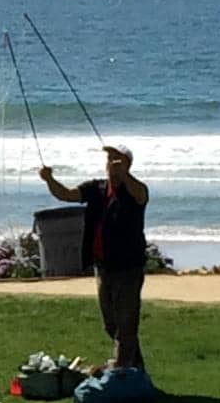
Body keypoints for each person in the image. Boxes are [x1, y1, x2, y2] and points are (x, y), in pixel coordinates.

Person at [38, 145, 149, 369]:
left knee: (126, 321)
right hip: (103, 265)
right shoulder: (96, 188)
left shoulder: (135, 190)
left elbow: (141, 195)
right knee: (111, 323)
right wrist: (49, 180)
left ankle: (122, 366)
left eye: (117, 160)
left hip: (128, 266)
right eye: (109, 159)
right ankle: (133, 366)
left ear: (128, 165)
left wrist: (125, 175)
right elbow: (67, 195)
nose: (112, 164)